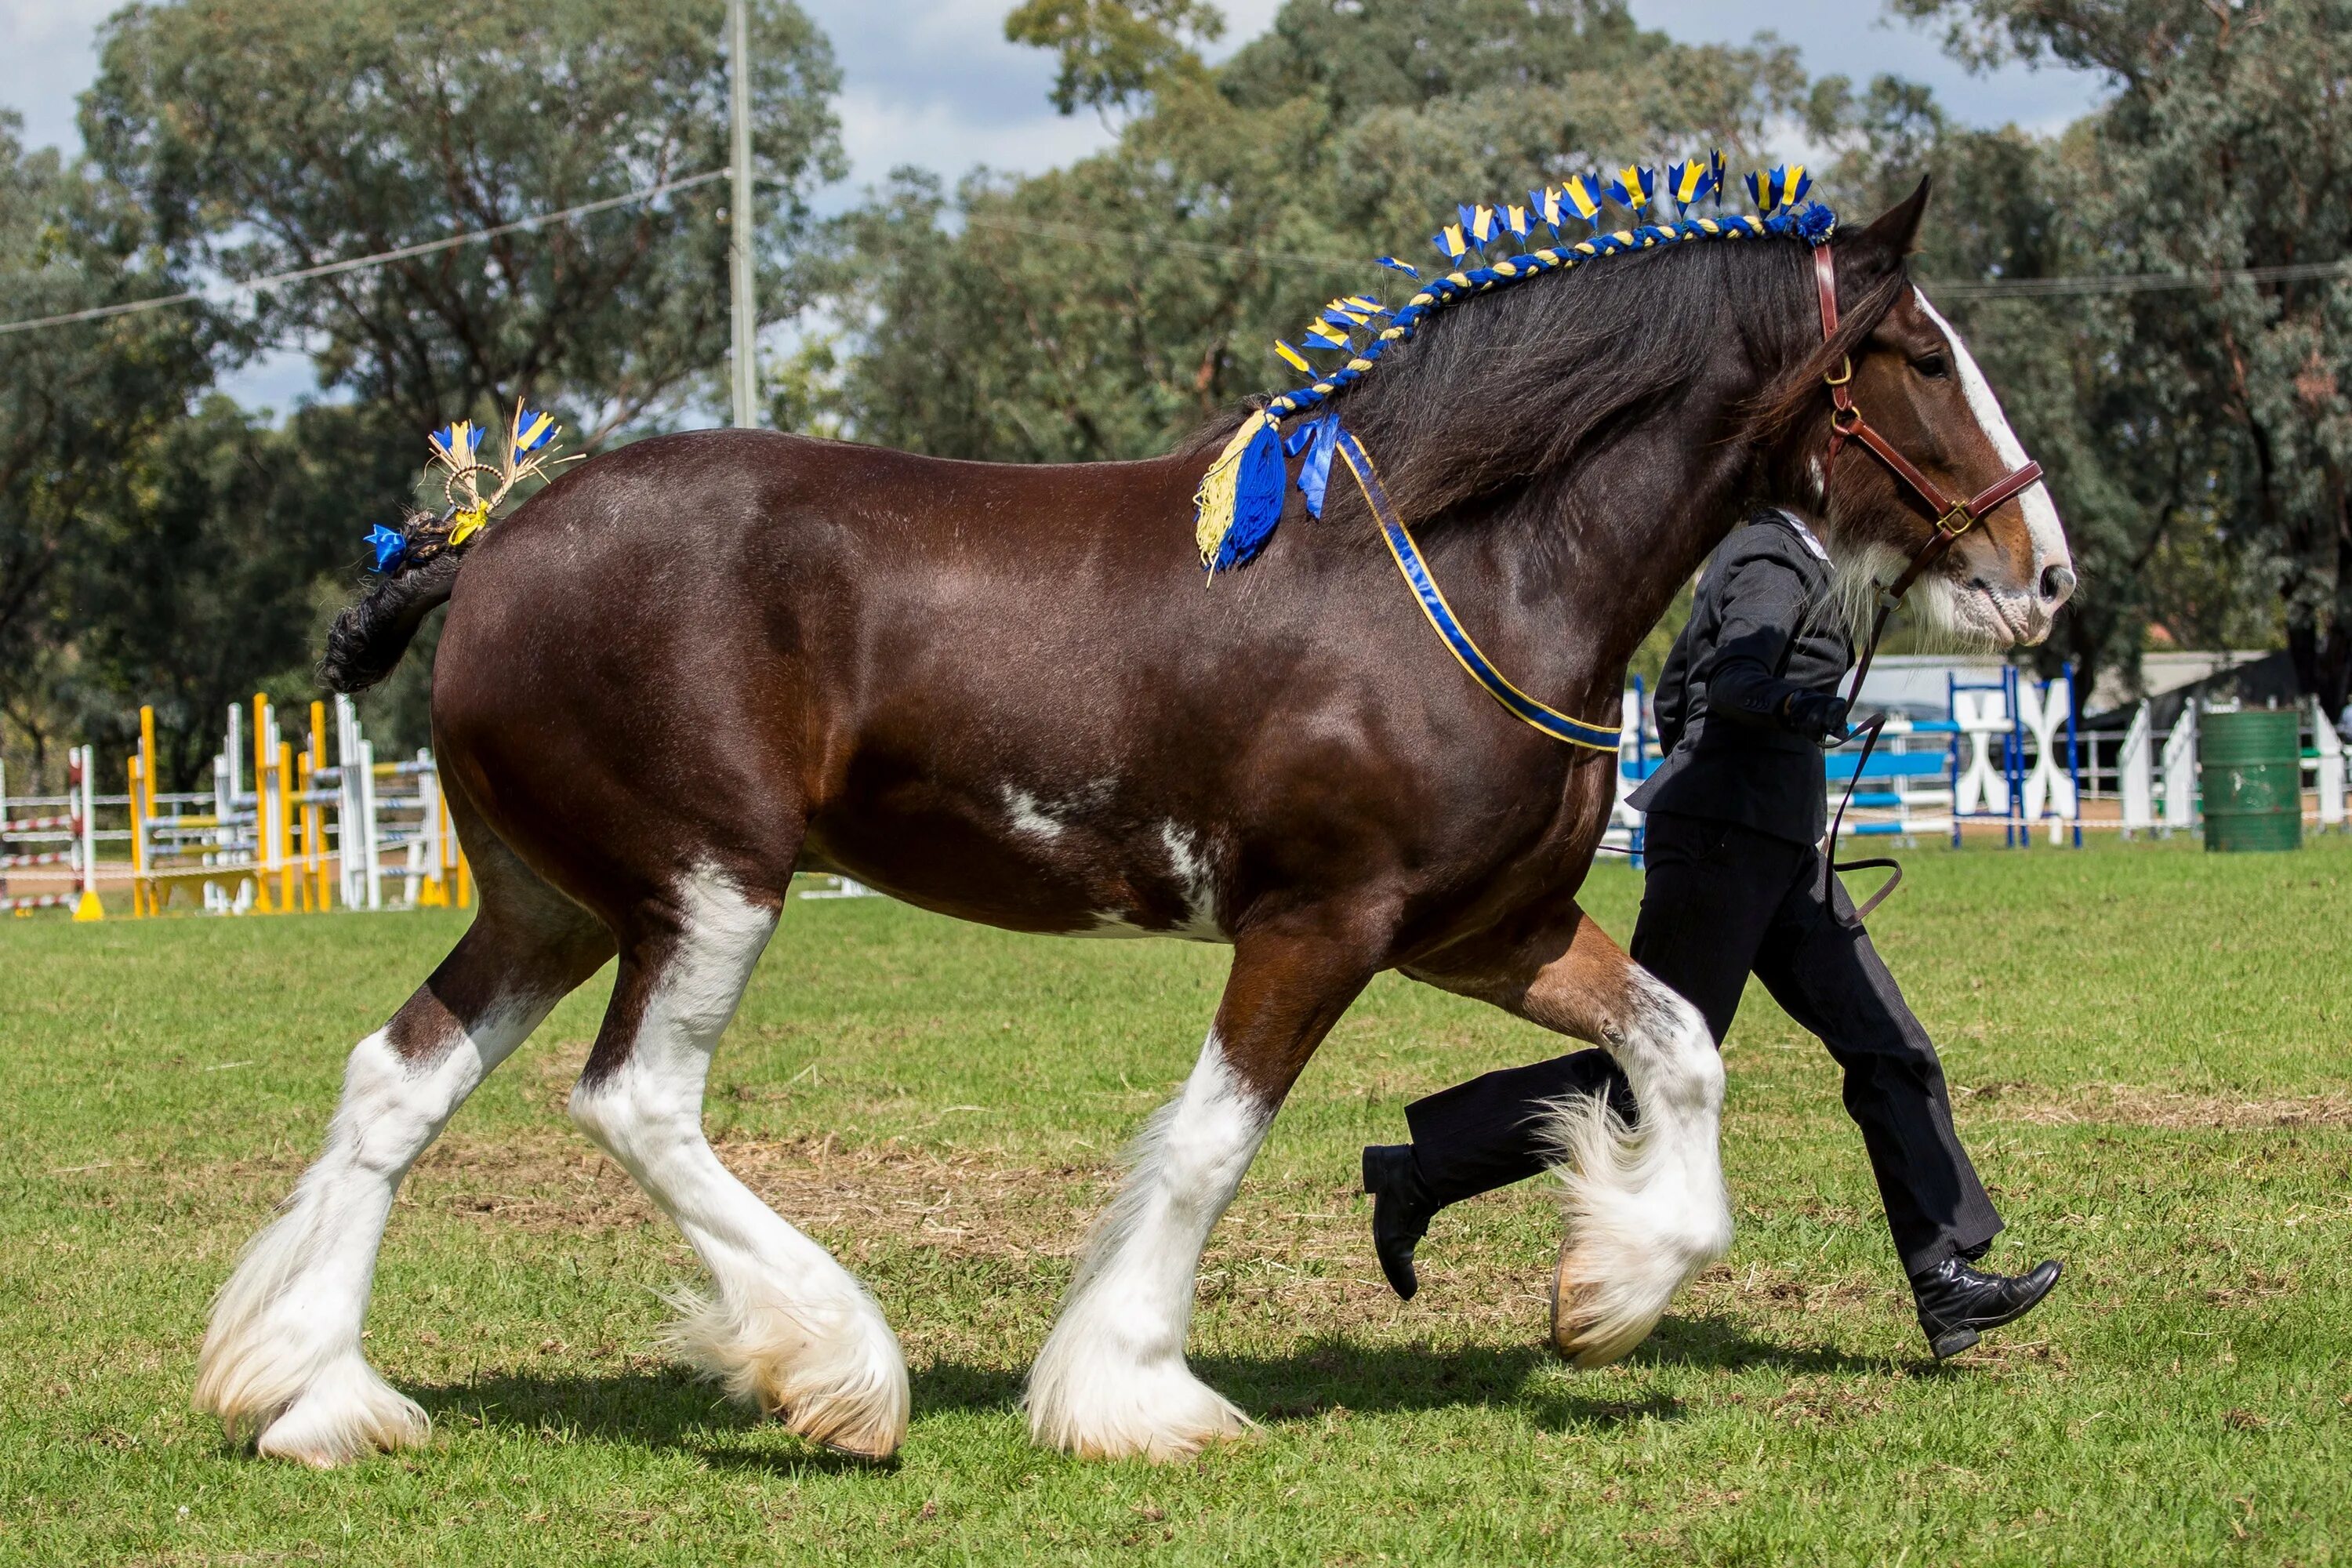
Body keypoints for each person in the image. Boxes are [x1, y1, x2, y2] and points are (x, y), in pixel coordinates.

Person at [1363, 505, 2060, 1359]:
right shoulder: (1770, 553)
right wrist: (1802, 719)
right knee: (1640, 1077)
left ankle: (1943, 1275)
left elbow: (1675, 695)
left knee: (1888, 1046)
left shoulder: (1815, 563)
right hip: (1726, 849)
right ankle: (1421, 1168)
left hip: (1781, 855)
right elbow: (1734, 681)